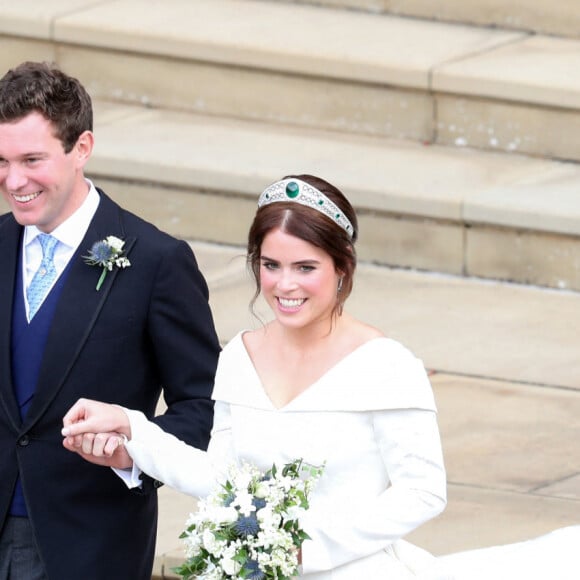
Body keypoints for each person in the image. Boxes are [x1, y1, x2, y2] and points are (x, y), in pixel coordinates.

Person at [61, 175, 580, 579]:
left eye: (305, 267)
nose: (284, 285)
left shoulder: (386, 364)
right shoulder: (239, 357)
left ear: (341, 267)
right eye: (271, 265)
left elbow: (423, 490)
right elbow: (220, 478)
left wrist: (310, 546)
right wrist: (134, 429)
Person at [0, 61, 221, 579]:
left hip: (89, 545)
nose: (14, 180)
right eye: (2, 160)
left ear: (82, 149)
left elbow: (206, 406)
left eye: (32, 159)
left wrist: (134, 447)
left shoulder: (157, 262)